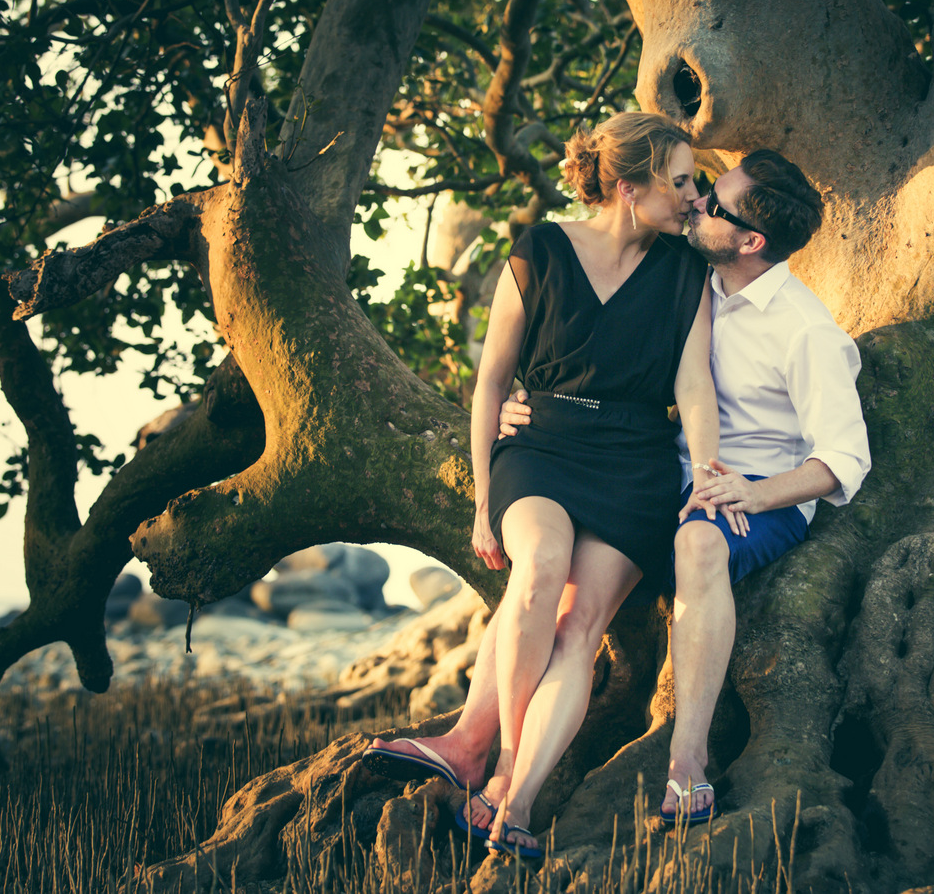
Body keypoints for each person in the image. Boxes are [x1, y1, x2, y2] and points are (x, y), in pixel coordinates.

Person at [366, 149, 870, 835]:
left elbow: (844, 459)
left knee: (692, 546)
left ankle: (685, 760)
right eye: (701, 191)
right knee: (550, 584)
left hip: (751, 496)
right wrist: (529, 401)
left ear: (751, 240)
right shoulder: (692, 275)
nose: (699, 205)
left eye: (714, 205)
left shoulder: (806, 329)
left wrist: (751, 492)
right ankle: (478, 752)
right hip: (656, 472)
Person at [365, 113, 720, 857]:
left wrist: (708, 473)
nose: (695, 196)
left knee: (579, 625)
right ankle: (495, 763)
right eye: (682, 181)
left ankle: (515, 800)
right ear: (631, 187)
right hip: (543, 448)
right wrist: (483, 503)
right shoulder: (541, 250)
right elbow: (491, 381)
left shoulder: (688, 270)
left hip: (635, 463)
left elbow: (693, 386)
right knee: (538, 575)